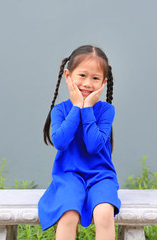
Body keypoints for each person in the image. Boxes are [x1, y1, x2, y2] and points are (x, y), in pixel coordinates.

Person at [38, 45, 121, 240]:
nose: (87, 83)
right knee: (68, 214)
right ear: (68, 76)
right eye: (82, 75)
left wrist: (87, 109)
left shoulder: (107, 111)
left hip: (101, 176)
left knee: (104, 213)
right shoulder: (60, 110)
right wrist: (76, 107)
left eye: (95, 78)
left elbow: (93, 146)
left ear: (103, 82)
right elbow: (60, 142)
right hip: (69, 175)